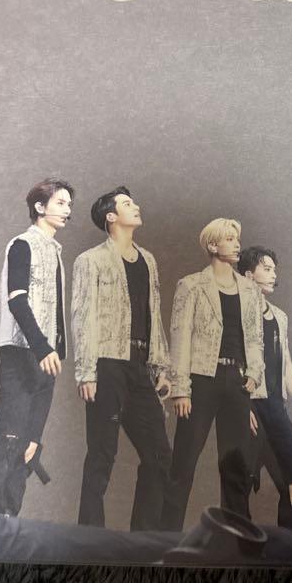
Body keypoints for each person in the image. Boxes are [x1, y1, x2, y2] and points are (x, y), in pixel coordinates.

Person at [70, 186, 172, 529]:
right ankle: (89, 537)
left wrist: (160, 366)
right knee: (102, 453)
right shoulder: (90, 260)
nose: (136, 206)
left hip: (140, 366)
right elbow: (82, 317)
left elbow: (153, 313)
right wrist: (86, 372)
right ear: (111, 217)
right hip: (106, 364)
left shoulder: (149, 260)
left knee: (159, 455)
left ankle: (141, 537)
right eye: (128, 204)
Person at [0, 178, 73, 515]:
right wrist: (42, 347)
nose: (67, 210)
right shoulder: (22, 245)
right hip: (23, 353)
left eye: (69, 204)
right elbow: (17, 300)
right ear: (40, 207)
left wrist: (55, 349)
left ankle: (7, 519)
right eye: (60, 203)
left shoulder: (54, 251)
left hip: (47, 358)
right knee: (9, 439)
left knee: (29, 447)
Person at [161, 218, 264, 530]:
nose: (236, 244)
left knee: (236, 467)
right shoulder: (191, 285)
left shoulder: (250, 290)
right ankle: (166, 538)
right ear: (212, 245)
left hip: (237, 383)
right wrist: (181, 388)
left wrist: (254, 373)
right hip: (202, 380)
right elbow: (180, 337)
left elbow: (255, 337)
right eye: (229, 239)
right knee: (183, 464)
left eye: (237, 238)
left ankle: (236, 539)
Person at [238, 245, 292, 527]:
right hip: (250, 403)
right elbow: (232, 361)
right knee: (241, 482)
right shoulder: (236, 310)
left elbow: (286, 363)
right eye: (266, 269)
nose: (273, 275)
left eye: (274, 270)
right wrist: (241, 405)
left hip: (276, 406)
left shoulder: (280, 316)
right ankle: (236, 545)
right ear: (248, 274)